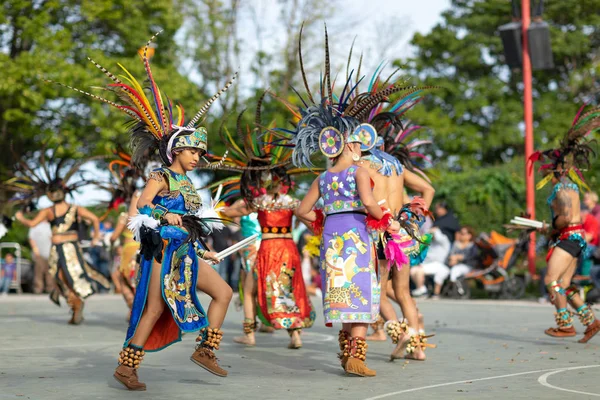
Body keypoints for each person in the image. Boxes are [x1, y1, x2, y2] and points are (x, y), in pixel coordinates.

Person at [54, 34, 237, 390]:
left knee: (225, 293)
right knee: (154, 309)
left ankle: (207, 349)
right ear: (175, 152)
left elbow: (191, 225)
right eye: (191, 150)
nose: (197, 156)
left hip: (185, 252)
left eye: (199, 152)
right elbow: (141, 205)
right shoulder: (162, 175)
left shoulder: (189, 185)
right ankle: (127, 366)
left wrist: (203, 250)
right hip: (161, 252)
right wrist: (162, 214)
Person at [205, 100, 315, 349]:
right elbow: (309, 218)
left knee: (250, 288)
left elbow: (232, 212)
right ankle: (295, 334)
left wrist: (215, 210)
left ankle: (250, 333)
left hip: (266, 249)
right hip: (288, 249)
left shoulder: (259, 202)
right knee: (288, 286)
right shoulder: (292, 202)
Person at [7, 155, 111, 324]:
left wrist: (96, 236)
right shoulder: (48, 211)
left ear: (62, 191)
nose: (54, 194)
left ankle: (76, 304)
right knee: (58, 278)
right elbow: (33, 223)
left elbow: (94, 219)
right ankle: (75, 304)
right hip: (56, 249)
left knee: (72, 277)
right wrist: (21, 218)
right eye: (52, 191)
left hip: (71, 248)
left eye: (56, 191)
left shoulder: (75, 209)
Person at [529, 103, 600, 344]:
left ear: (555, 170)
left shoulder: (561, 189)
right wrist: (549, 227)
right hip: (576, 238)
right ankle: (590, 321)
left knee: (551, 281)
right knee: (566, 285)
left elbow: (566, 218)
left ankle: (566, 325)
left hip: (569, 238)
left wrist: (551, 227)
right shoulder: (571, 187)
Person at [410, 226, 451, 298]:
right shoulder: (430, 242)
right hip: (428, 264)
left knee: (420, 271)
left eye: (432, 233)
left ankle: (422, 291)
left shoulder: (444, 240)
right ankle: (421, 289)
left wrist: (434, 230)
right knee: (413, 270)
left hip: (439, 264)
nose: (430, 235)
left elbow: (438, 236)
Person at [28, 220, 55, 294]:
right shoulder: (35, 225)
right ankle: (38, 288)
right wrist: (35, 249)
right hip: (39, 253)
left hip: (50, 253)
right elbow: (31, 238)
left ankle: (50, 288)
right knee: (38, 272)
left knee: (50, 272)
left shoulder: (52, 225)